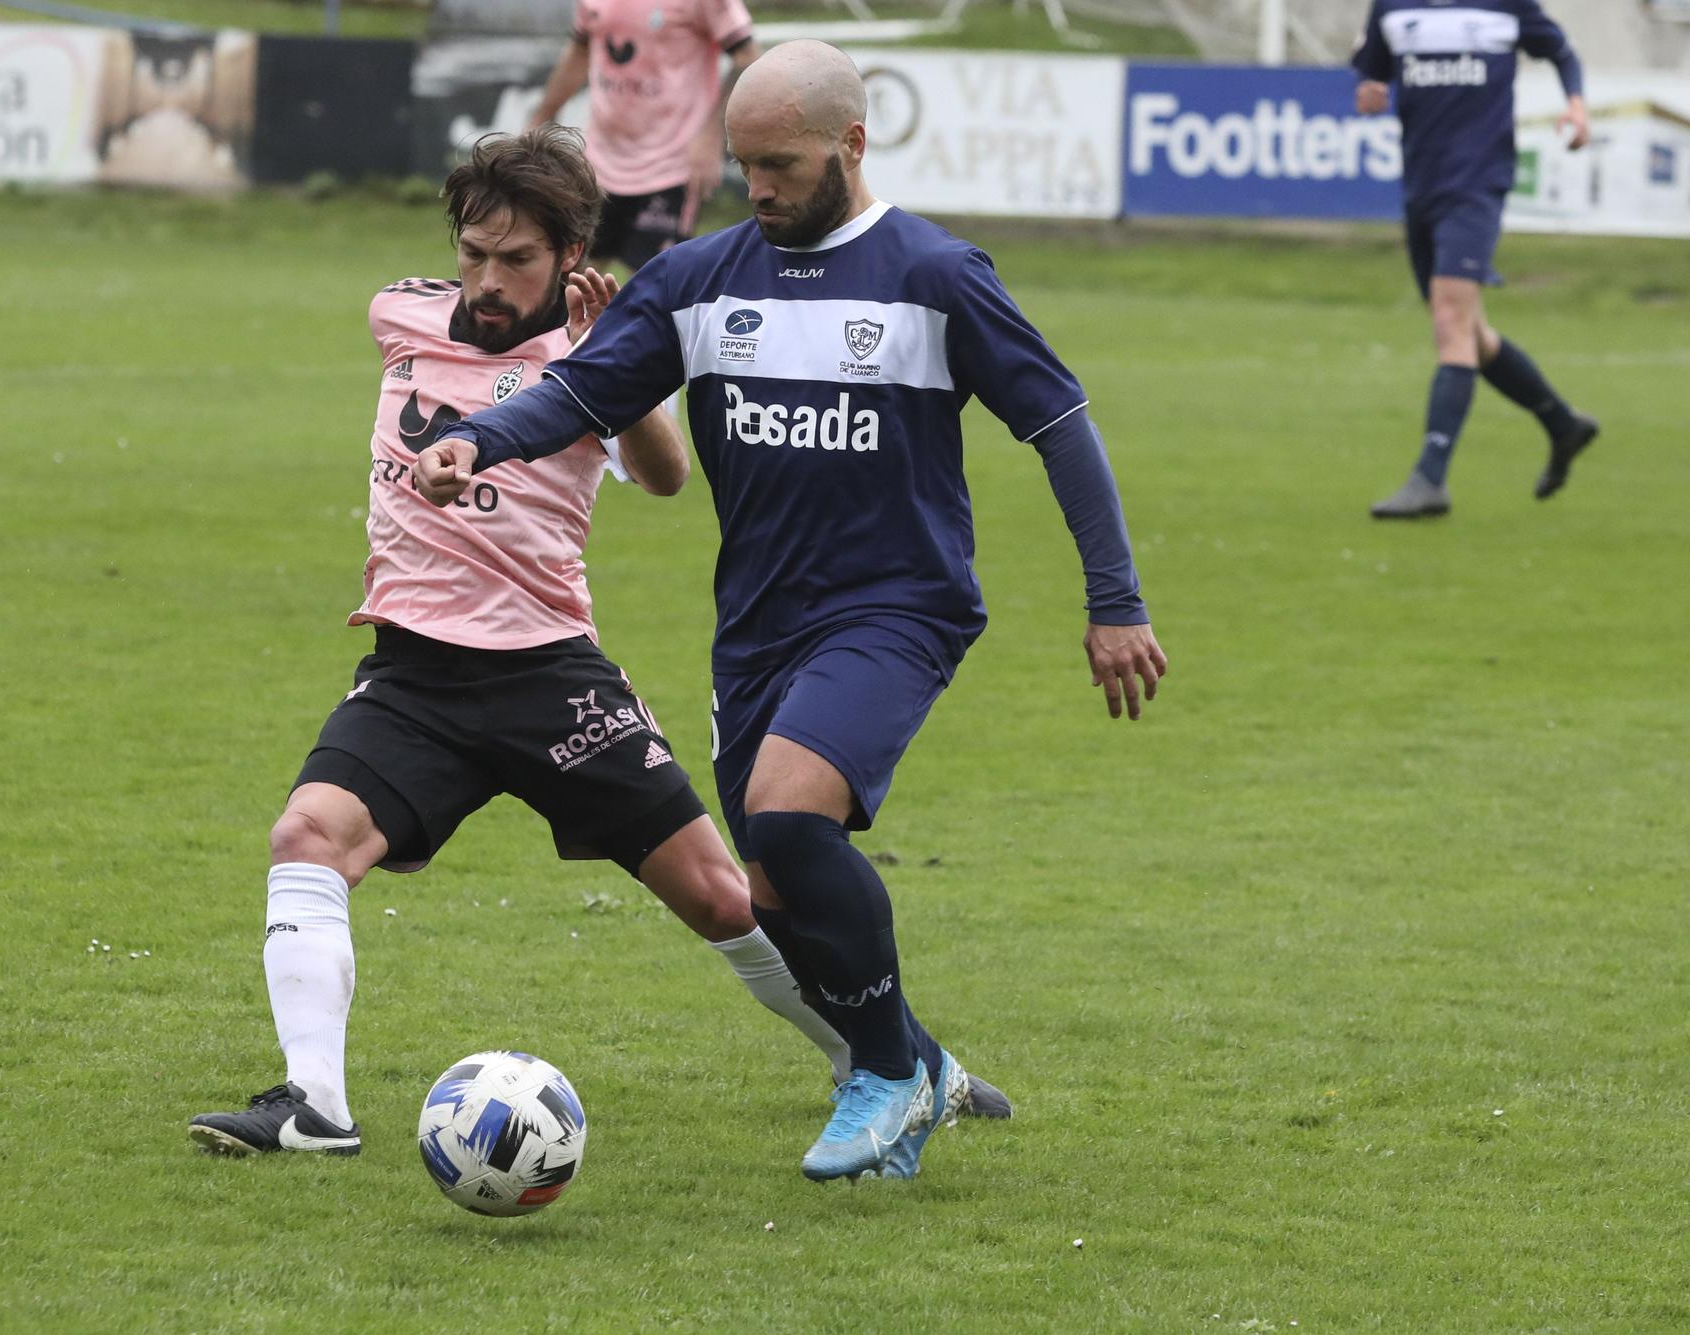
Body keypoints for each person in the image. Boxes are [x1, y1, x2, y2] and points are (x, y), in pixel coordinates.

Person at [412, 43, 1165, 1182]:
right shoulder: (698, 278)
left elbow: (1060, 427)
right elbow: (582, 390)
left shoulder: (937, 276)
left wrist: (1114, 602)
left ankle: (882, 1077)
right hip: (757, 627)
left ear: (849, 148)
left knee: (788, 818)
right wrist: (481, 438)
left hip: (896, 608)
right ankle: (917, 1057)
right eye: (740, 165)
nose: (755, 188)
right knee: (774, 891)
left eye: (779, 164)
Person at [187, 126, 1003, 1158]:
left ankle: (890, 1061)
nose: (487, 280)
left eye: (516, 260)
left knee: (721, 895)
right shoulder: (398, 313)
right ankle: (313, 1107)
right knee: (307, 837)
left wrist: (614, 363)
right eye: (474, 254)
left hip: (549, 678)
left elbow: (662, 475)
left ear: (569, 257)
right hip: (411, 676)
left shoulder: (596, 353)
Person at [1355, 0, 1599, 519]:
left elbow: (1560, 51)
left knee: (1451, 320)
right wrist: (1369, 92)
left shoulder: (1506, 4)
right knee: (1471, 333)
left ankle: (1430, 479)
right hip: (1421, 185)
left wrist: (1576, 104)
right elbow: (1372, 76)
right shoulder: (1392, 8)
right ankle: (1562, 424)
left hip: (1478, 184)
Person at [528, 0, 761, 271]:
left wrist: (711, 137)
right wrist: (542, 116)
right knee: (571, 280)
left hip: (670, 165)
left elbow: (748, 58)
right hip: (599, 164)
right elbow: (582, 49)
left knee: (655, 289)